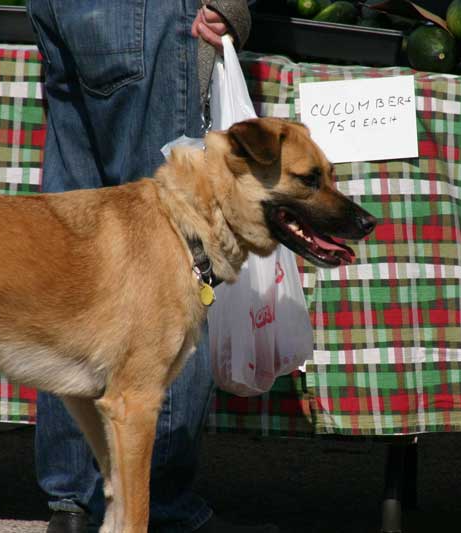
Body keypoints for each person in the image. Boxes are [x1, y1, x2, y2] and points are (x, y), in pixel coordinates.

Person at [25, 1, 276, 532]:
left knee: (71, 249)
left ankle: (73, 501)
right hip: (151, 14)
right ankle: (151, 507)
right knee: (169, 261)